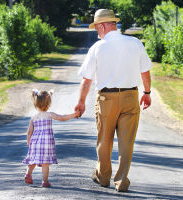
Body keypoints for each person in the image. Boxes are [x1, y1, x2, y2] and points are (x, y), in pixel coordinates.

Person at [74, 9, 152, 192]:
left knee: (104, 140)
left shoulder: (97, 48)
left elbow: (86, 80)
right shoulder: (135, 43)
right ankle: (122, 181)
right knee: (127, 142)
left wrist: (81, 102)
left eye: (96, 28)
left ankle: (103, 177)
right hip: (130, 96)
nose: (96, 32)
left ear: (102, 25)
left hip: (106, 99)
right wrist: (147, 92)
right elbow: (145, 71)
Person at [22, 89, 80, 187]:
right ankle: (45, 181)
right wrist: (74, 114)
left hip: (35, 143)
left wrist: (29, 143)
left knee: (33, 160)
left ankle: (28, 174)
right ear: (48, 104)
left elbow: (29, 132)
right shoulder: (49, 115)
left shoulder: (34, 117)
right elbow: (62, 117)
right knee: (45, 163)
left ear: (36, 103)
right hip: (46, 144)